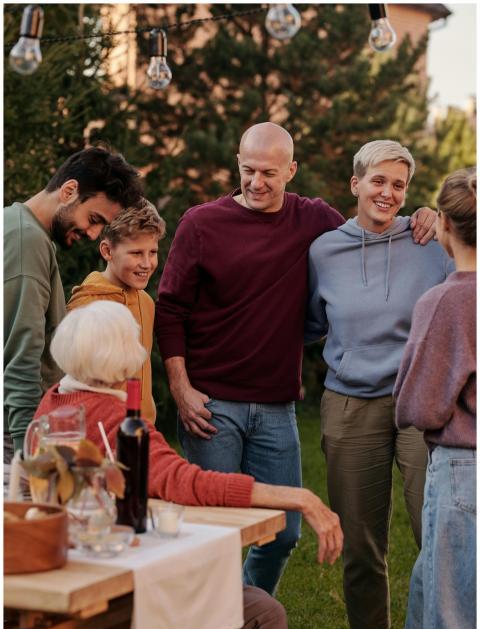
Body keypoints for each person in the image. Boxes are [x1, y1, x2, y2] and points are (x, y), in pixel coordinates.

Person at [154, 122, 436, 598]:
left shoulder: (313, 220)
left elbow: (369, 225)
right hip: (210, 404)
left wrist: (426, 213)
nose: (257, 182)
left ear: (291, 170)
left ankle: (243, 622)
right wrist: (181, 389)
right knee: (216, 533)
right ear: (238, 165)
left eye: (269, 172)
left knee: (282, 535)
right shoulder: (201, 223)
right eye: (248, 170)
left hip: (276, 407)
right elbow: (171, 310)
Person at [35, 300, 343, 629]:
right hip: (115, 600)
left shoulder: (53, 404)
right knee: (263, 616)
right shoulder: (113, 418)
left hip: (71, 584)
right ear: (120, 355)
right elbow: (187, 483)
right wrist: (297, 496)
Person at [305, 140, 452, 629]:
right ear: (355, 184)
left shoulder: (430, 241)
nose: (388, 193)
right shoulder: (323, 251)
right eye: (378, 182)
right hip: (349, 403)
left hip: (422, 403)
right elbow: (312, 324)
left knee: (436, 529)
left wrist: (436, 217)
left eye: (399, 185)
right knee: (362, 537)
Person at [393, 167, 476, 629]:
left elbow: (419, 405)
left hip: (462, 466)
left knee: (456, 617)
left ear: (443, 224)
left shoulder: (445, 301)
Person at [3, 146, 143, 458]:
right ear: (69, 191)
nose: (93, 234)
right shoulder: (28, 243)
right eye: (93, 219)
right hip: (16, 435)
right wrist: (32, 456)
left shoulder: (15, 225)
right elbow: (21, 358)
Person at [67, 198, 165, 423]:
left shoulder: (146, 302)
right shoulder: (87, 307)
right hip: (102, 431)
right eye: (136, 253)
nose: (147, 263)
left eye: (153, 252)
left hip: (143, 428)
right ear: (107, 251)